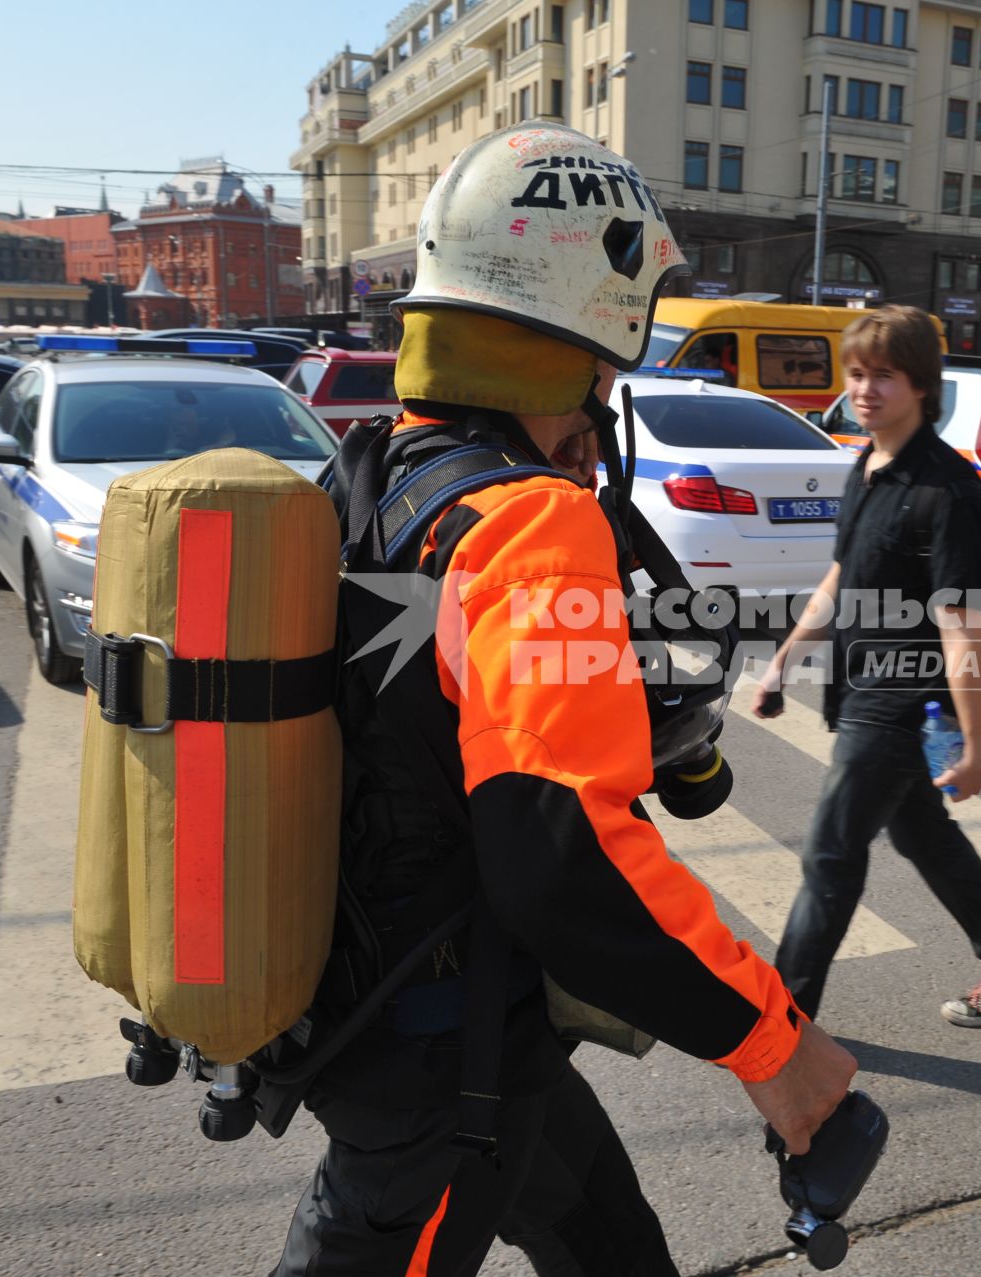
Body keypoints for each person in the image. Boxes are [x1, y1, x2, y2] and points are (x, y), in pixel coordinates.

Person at [273, 125, 856, 1276]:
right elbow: (562, 850)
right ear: (600, 320)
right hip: (437, 1053)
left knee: (611, 1243)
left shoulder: (387, 469)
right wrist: (775, 1044)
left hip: (406, 998)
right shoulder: (531, 520)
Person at [754, 305, 981, 1028]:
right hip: (859, 687)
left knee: (830, 854)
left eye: (883, 375)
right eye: (856, 373)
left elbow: (963, 628)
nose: (865, 388)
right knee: (922, 833)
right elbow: (843, 573)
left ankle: (784, 1029)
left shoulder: (947, 494)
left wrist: (977, 746)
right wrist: (784, 661)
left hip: (903, 700)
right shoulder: (869, 465)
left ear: (921, 385)